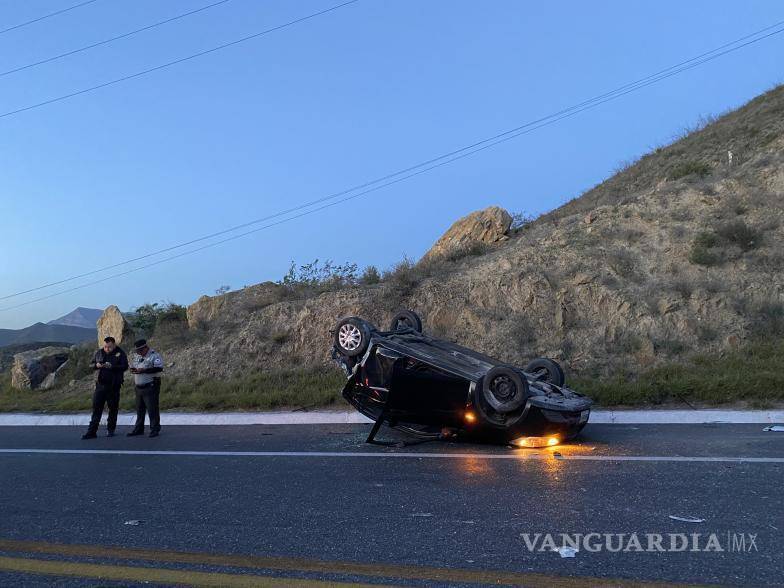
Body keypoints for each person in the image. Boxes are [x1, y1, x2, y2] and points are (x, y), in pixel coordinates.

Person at [82, 336, 128, 439]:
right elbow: (90, 365)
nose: (107, 349)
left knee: (113, 409)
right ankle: (91, 432)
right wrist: (96, 365)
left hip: (113, 386)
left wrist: (112, 366)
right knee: (96, 409)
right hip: (100, 386)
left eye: (110, 347)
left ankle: (110, 429)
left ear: (114, 345)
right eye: (106, 347)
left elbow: (125, 366)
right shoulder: (99, 352)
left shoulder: (120, 353)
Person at [127, 339, 164, 438]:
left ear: (145, 348)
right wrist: (133, 369)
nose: (138, 352)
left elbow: (159, 368)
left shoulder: (154, 355)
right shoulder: (137, 356)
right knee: (139, 409)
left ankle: (154, 429)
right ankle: (139, 429)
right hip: (139, 387)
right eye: (137, 351)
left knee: (152, 409)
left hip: (150, 385)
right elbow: (135, 366)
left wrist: (145, 370)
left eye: (140, 350)